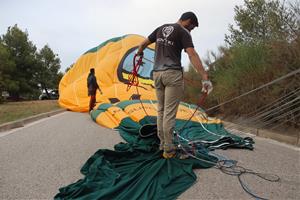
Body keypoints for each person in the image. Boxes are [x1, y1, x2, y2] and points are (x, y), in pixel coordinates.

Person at [136, 11, 213, 159]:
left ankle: (162, 143)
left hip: (157, 75)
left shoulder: (160, 29)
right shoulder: (183, 32)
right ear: (188, 21)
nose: (191, 30)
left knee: (161, 110)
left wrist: (140, 53)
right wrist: (204, 77)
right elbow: (192, 54)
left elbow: (143, 44)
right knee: (169, 113)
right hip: (172, 75)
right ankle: (169, 149)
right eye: (192, 27)